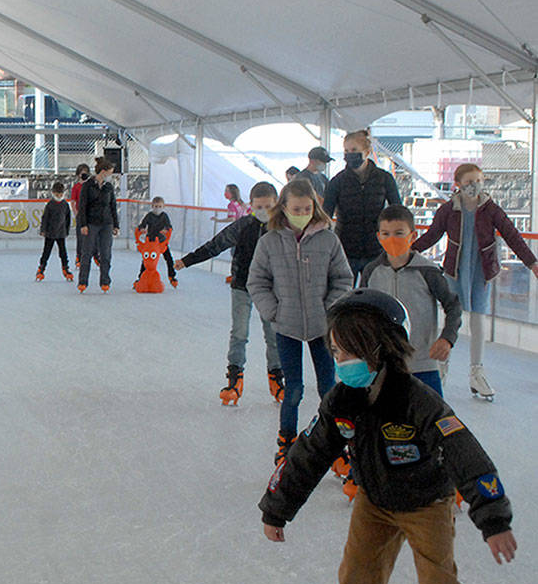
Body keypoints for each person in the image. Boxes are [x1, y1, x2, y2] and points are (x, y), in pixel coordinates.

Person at [259, 288, 514, 584]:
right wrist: (277, 508)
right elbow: (309, 453)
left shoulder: (417, 400)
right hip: (374, 503)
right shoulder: (342, 399)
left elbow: (464, 452)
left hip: (427, 504)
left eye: (348, 352)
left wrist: (493, 518)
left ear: (379, 349)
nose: (340, 362)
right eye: (335, 353)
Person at [413, 162, 538, 401]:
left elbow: (513, 236)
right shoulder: (448, 210)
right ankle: (441, 368)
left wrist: (532, 263)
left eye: (479, 181)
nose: (475, 186)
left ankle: (476, 372)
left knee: (479, 320)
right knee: (451, 317)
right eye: (470, 182)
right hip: (455, 271)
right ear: (458, 185)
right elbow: (432, 235)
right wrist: (407, 251)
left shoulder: (491, 209)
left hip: (481, 272)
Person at [247, 179, 352, 462]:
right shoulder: (269, 242)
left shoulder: (329, 239)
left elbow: (343, 279)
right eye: (296, 208)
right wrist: (274, 312)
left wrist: (329, 309)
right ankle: (286, 440)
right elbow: (257, 281)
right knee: (293, 389)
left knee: (328, 387)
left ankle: (337, 442)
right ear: (284, 208)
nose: (302, 213)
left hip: (323, 328)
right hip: (287, 327)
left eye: (307, 208)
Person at [175, 181, 283, 405]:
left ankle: (277, 379)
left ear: (277, 205)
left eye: (268, 206)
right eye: (258, 207)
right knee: (239, 334)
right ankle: (235, 379)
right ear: (250, 205)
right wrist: (188, 260)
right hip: (242, 285)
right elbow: (216, 244)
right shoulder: (243, 225)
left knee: (273, 335)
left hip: (271, 290)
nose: (263, 211)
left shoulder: (283, 229)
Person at [358, 205, 460, 397]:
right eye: (386, 234)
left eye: (399, 233)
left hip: (422, 363)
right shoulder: (372, 272)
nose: (392, 239)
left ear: (412, 236)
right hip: (383, 366)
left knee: (432, 419)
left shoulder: (428, 271)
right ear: (379, 237)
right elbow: (362, 312)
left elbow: (453, 305)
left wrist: (447, 338)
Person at [323, 128, 401, 281]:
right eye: (346, 150)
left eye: (354, 150)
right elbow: (325, 215)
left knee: (375, 292)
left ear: (367, 151)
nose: (350, 154)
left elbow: (397, 211)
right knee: (345, 294)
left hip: (377, 249)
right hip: (345, 248)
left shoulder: (385, 179)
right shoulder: (337, 182)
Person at [76, 157, 119, 292]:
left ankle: (105, 281)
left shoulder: (108, 187)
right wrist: (83, 224)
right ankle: (83, 281)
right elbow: (82, 206)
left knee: (106, 253)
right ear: (103, 171)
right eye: (110, 173)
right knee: (87, 253)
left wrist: (115, 224)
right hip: (91, 223)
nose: (111, 176)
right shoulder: (88, 186)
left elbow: (113, 205)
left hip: (106, 223)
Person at [136, 196, 177, 287]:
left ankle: (172, 276)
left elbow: (169, 226)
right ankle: (140, 278)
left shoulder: (164, 216)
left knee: (169, 258)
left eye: (159, 206)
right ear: (152, 206)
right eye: (155, 206)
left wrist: (166, 230)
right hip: (151, 242)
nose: (157, 208)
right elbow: (142, 225)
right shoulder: (149, 215)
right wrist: (142, 229)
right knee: (146, 260)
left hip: (161, 242)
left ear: (163, 207)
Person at [36, 181, 73, 281]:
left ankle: (66, 268)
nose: (59, 196)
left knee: (63, 252)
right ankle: (41, 268)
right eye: (57, 194)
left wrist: (67, 230)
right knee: (46, 252)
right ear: (53, 193)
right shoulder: (50, 204)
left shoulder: (65, 204)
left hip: (61, 233)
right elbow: (45, 218)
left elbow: (68, 218)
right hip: (50, 233)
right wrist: (43, 229)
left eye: (61, 194)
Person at [69, 162, 90, 266]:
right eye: (82, 173)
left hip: (90, 215)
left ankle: (92, 255)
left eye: (86, 173)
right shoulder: (76, 187)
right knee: (80, 237)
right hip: (81, 215)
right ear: (78, 175)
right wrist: (76, 213)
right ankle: (79, 256)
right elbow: (73, 201)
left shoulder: (90, 186)